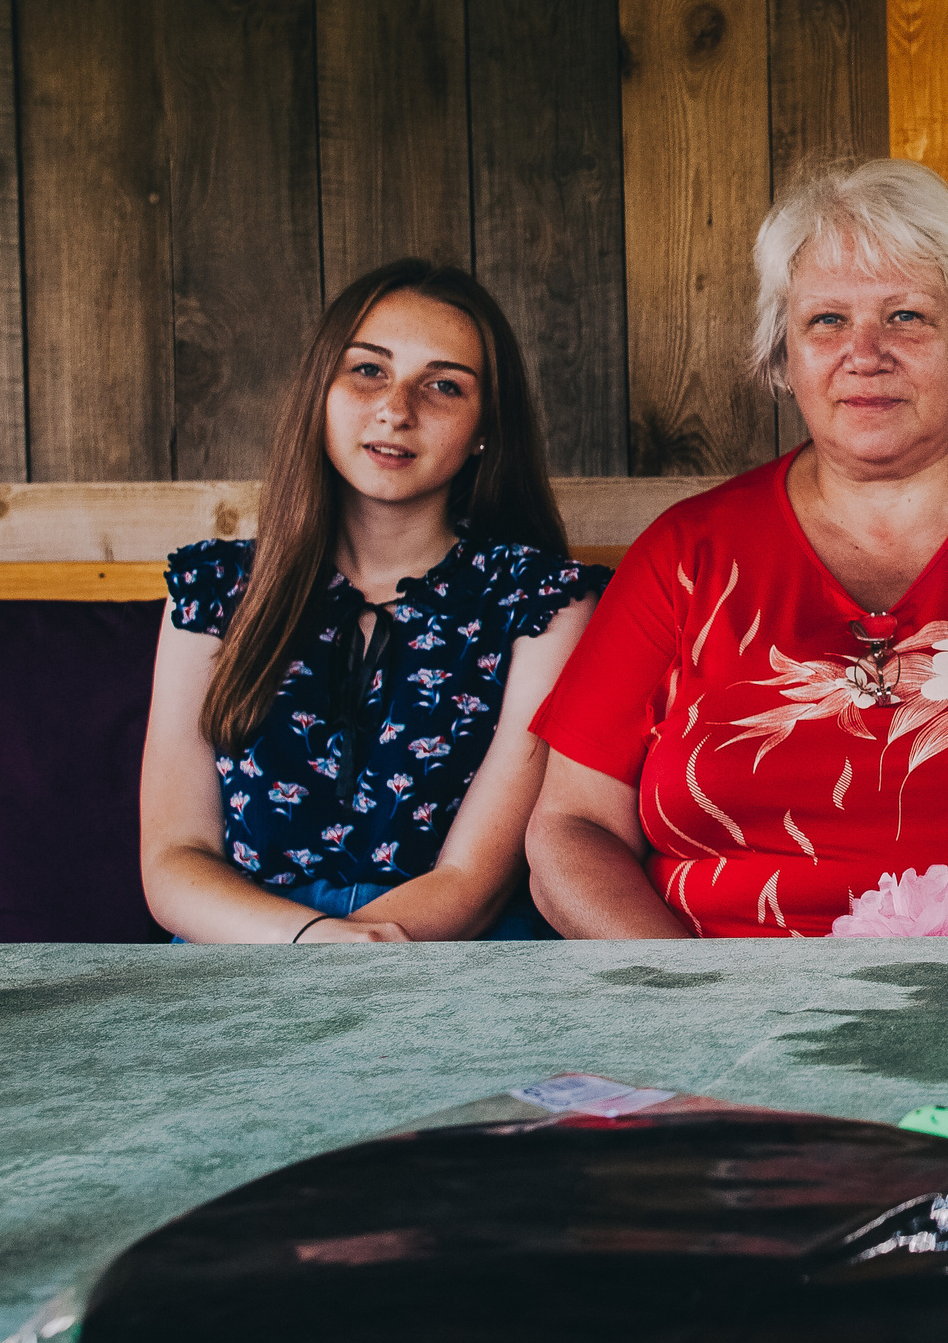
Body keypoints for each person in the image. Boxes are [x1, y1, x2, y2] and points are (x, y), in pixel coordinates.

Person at [525, 159, 948, 937]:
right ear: (784, 353)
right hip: (724, 1011)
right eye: (826, 320)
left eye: (906, 317)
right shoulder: (687, 556)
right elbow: (568, 829)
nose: (865, 352)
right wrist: (686, 1006)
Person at [141, 260, 604, 943]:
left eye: (443, 385)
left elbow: (475, 880)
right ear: (319, 393)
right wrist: (311, 943)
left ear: (484, 429)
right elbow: (174, 859)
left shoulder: (541, 603)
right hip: (243, 959)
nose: (396, 407)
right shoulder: (215, 593)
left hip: (447, 964)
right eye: (368, 370)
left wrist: (357, 953)